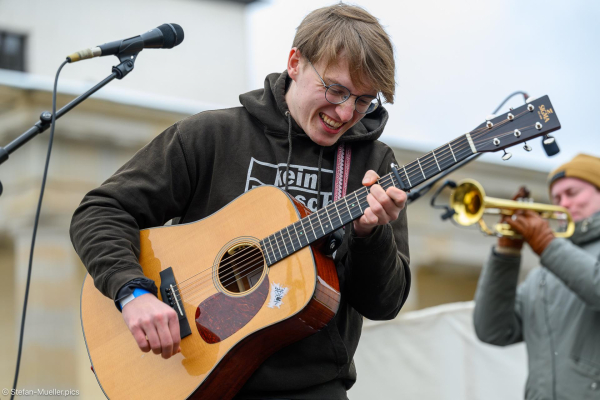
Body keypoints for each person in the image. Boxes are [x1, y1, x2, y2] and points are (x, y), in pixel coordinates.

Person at [70, 4, 411, 399]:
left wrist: (371, 235)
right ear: (295, 62)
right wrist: (134, 291)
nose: (346, 112)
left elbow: (385, 303)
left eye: (365, 100)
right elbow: (102, 210)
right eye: (336, 90)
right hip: (192, 374)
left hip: (313, 389)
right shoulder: (212, 136)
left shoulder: (373, 166)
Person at [473, 153, 600, 399]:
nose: (563, 204)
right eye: (557, 197)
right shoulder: (542, 274)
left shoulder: (552, 254)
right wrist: (506, 253)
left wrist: (547, 244)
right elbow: (492, 330)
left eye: (572, 193)